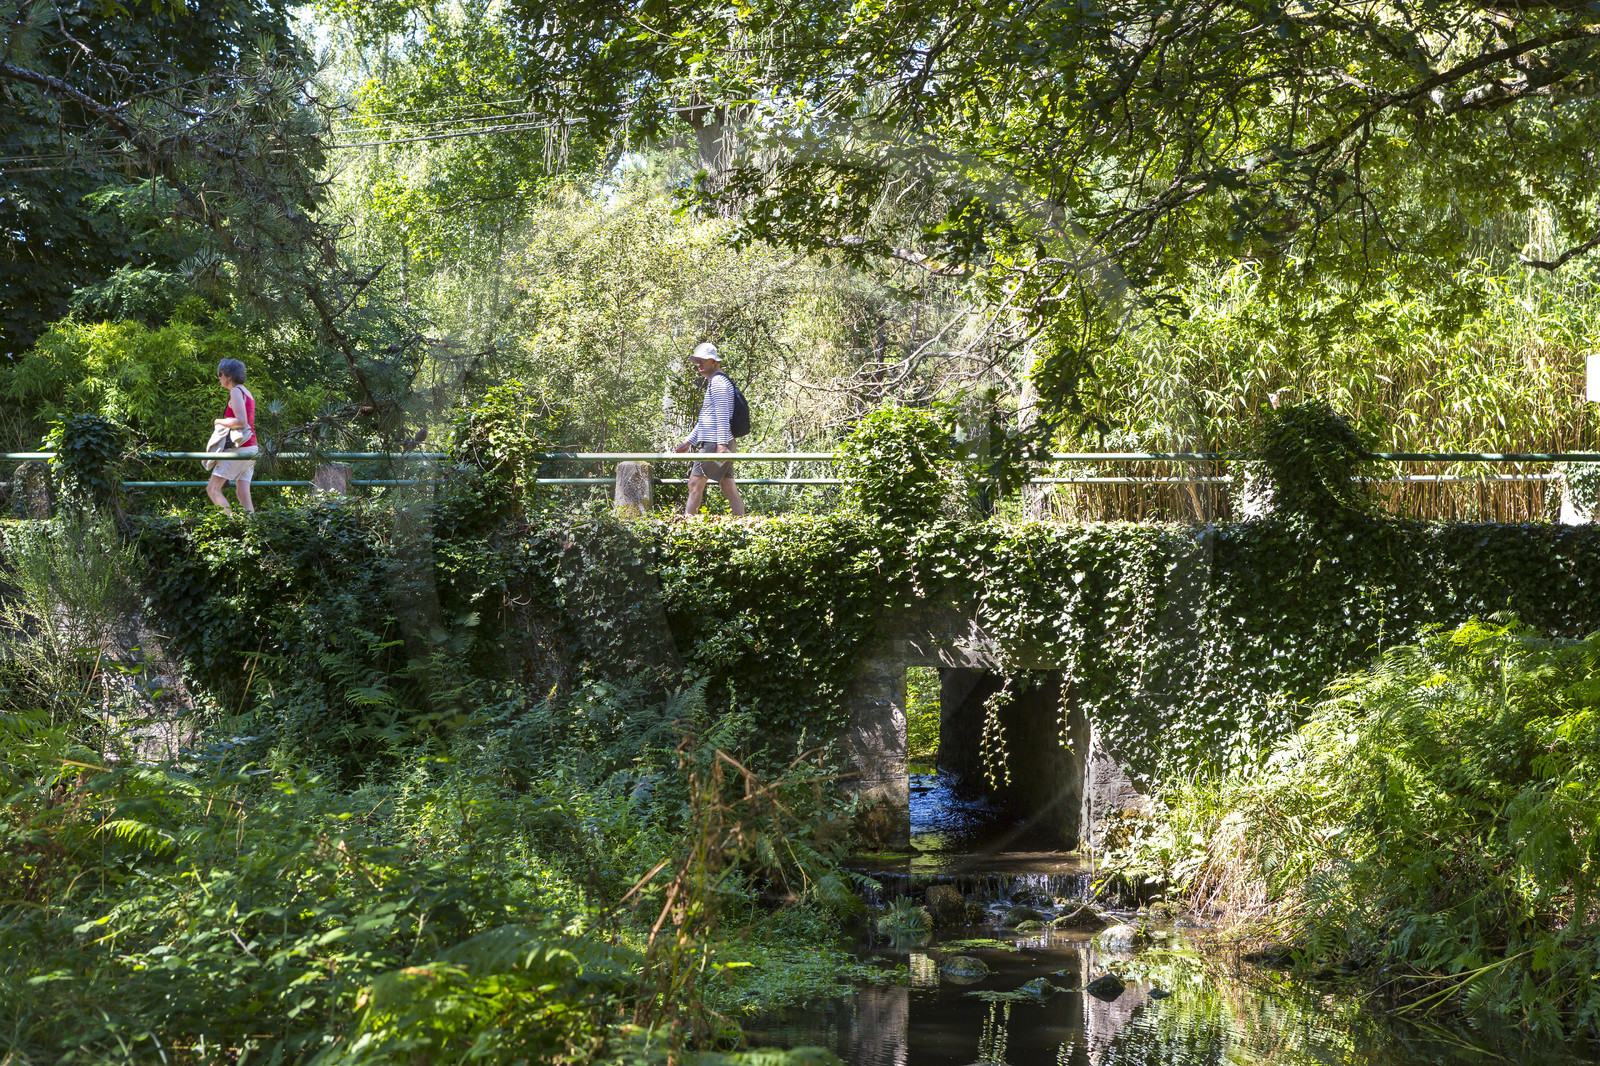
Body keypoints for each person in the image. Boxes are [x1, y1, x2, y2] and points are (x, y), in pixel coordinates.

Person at [673, 341, 745, 517]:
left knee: (694, 484)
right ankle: (742, 525)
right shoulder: (716, 382)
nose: (699, 365)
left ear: (713, 361)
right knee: (727, 486)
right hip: (723, 443)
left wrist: (720, 446)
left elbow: (722, 415)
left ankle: (687, 530)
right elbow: (707, 419)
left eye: (702, 361)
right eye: (697, 361)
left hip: (715, 444)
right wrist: (688, 442)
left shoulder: (719, 383)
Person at [206, 358, 258, 512]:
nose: (219, 377)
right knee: (243, 494)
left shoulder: (235, 391)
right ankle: (250, 530)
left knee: (213, 489)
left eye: (220, 374)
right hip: (251, 448)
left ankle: (231, 526)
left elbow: (242, 421)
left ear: (228, 376)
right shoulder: (246, 391)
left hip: (239, 449)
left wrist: (219, 421)